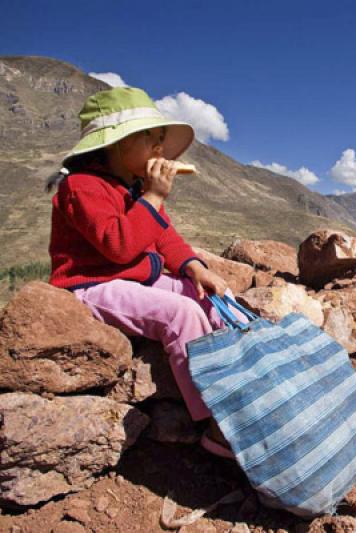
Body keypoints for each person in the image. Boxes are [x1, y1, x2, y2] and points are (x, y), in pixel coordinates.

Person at [46, 86, 241, 458]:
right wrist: (154, 197)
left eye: (161, 139)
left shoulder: (133, 187)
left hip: (138, 279)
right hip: (96, 284)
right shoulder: (81, 187)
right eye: (149, 137)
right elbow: (117, 245)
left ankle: (232, 381)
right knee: (180, 313)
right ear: (116, 143)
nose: (159, 147)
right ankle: (215, 421)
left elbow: (165, 236)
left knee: (216, 297)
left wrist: (195, 268)